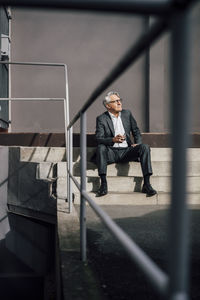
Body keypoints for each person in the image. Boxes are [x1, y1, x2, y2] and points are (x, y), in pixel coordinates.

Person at [95, 91, 157, 197]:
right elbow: (99, 138)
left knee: (145, 147)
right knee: (100, 147)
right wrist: (113, 140)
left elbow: (136, 131)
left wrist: (137, 143)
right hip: (111, 152)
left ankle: (147, 184)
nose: (119, 103)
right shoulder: (102, 118)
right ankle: (103, 184)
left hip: (126, 151)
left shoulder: (127, 114)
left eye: (120, 100)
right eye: (116, 101)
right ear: (108, 105)